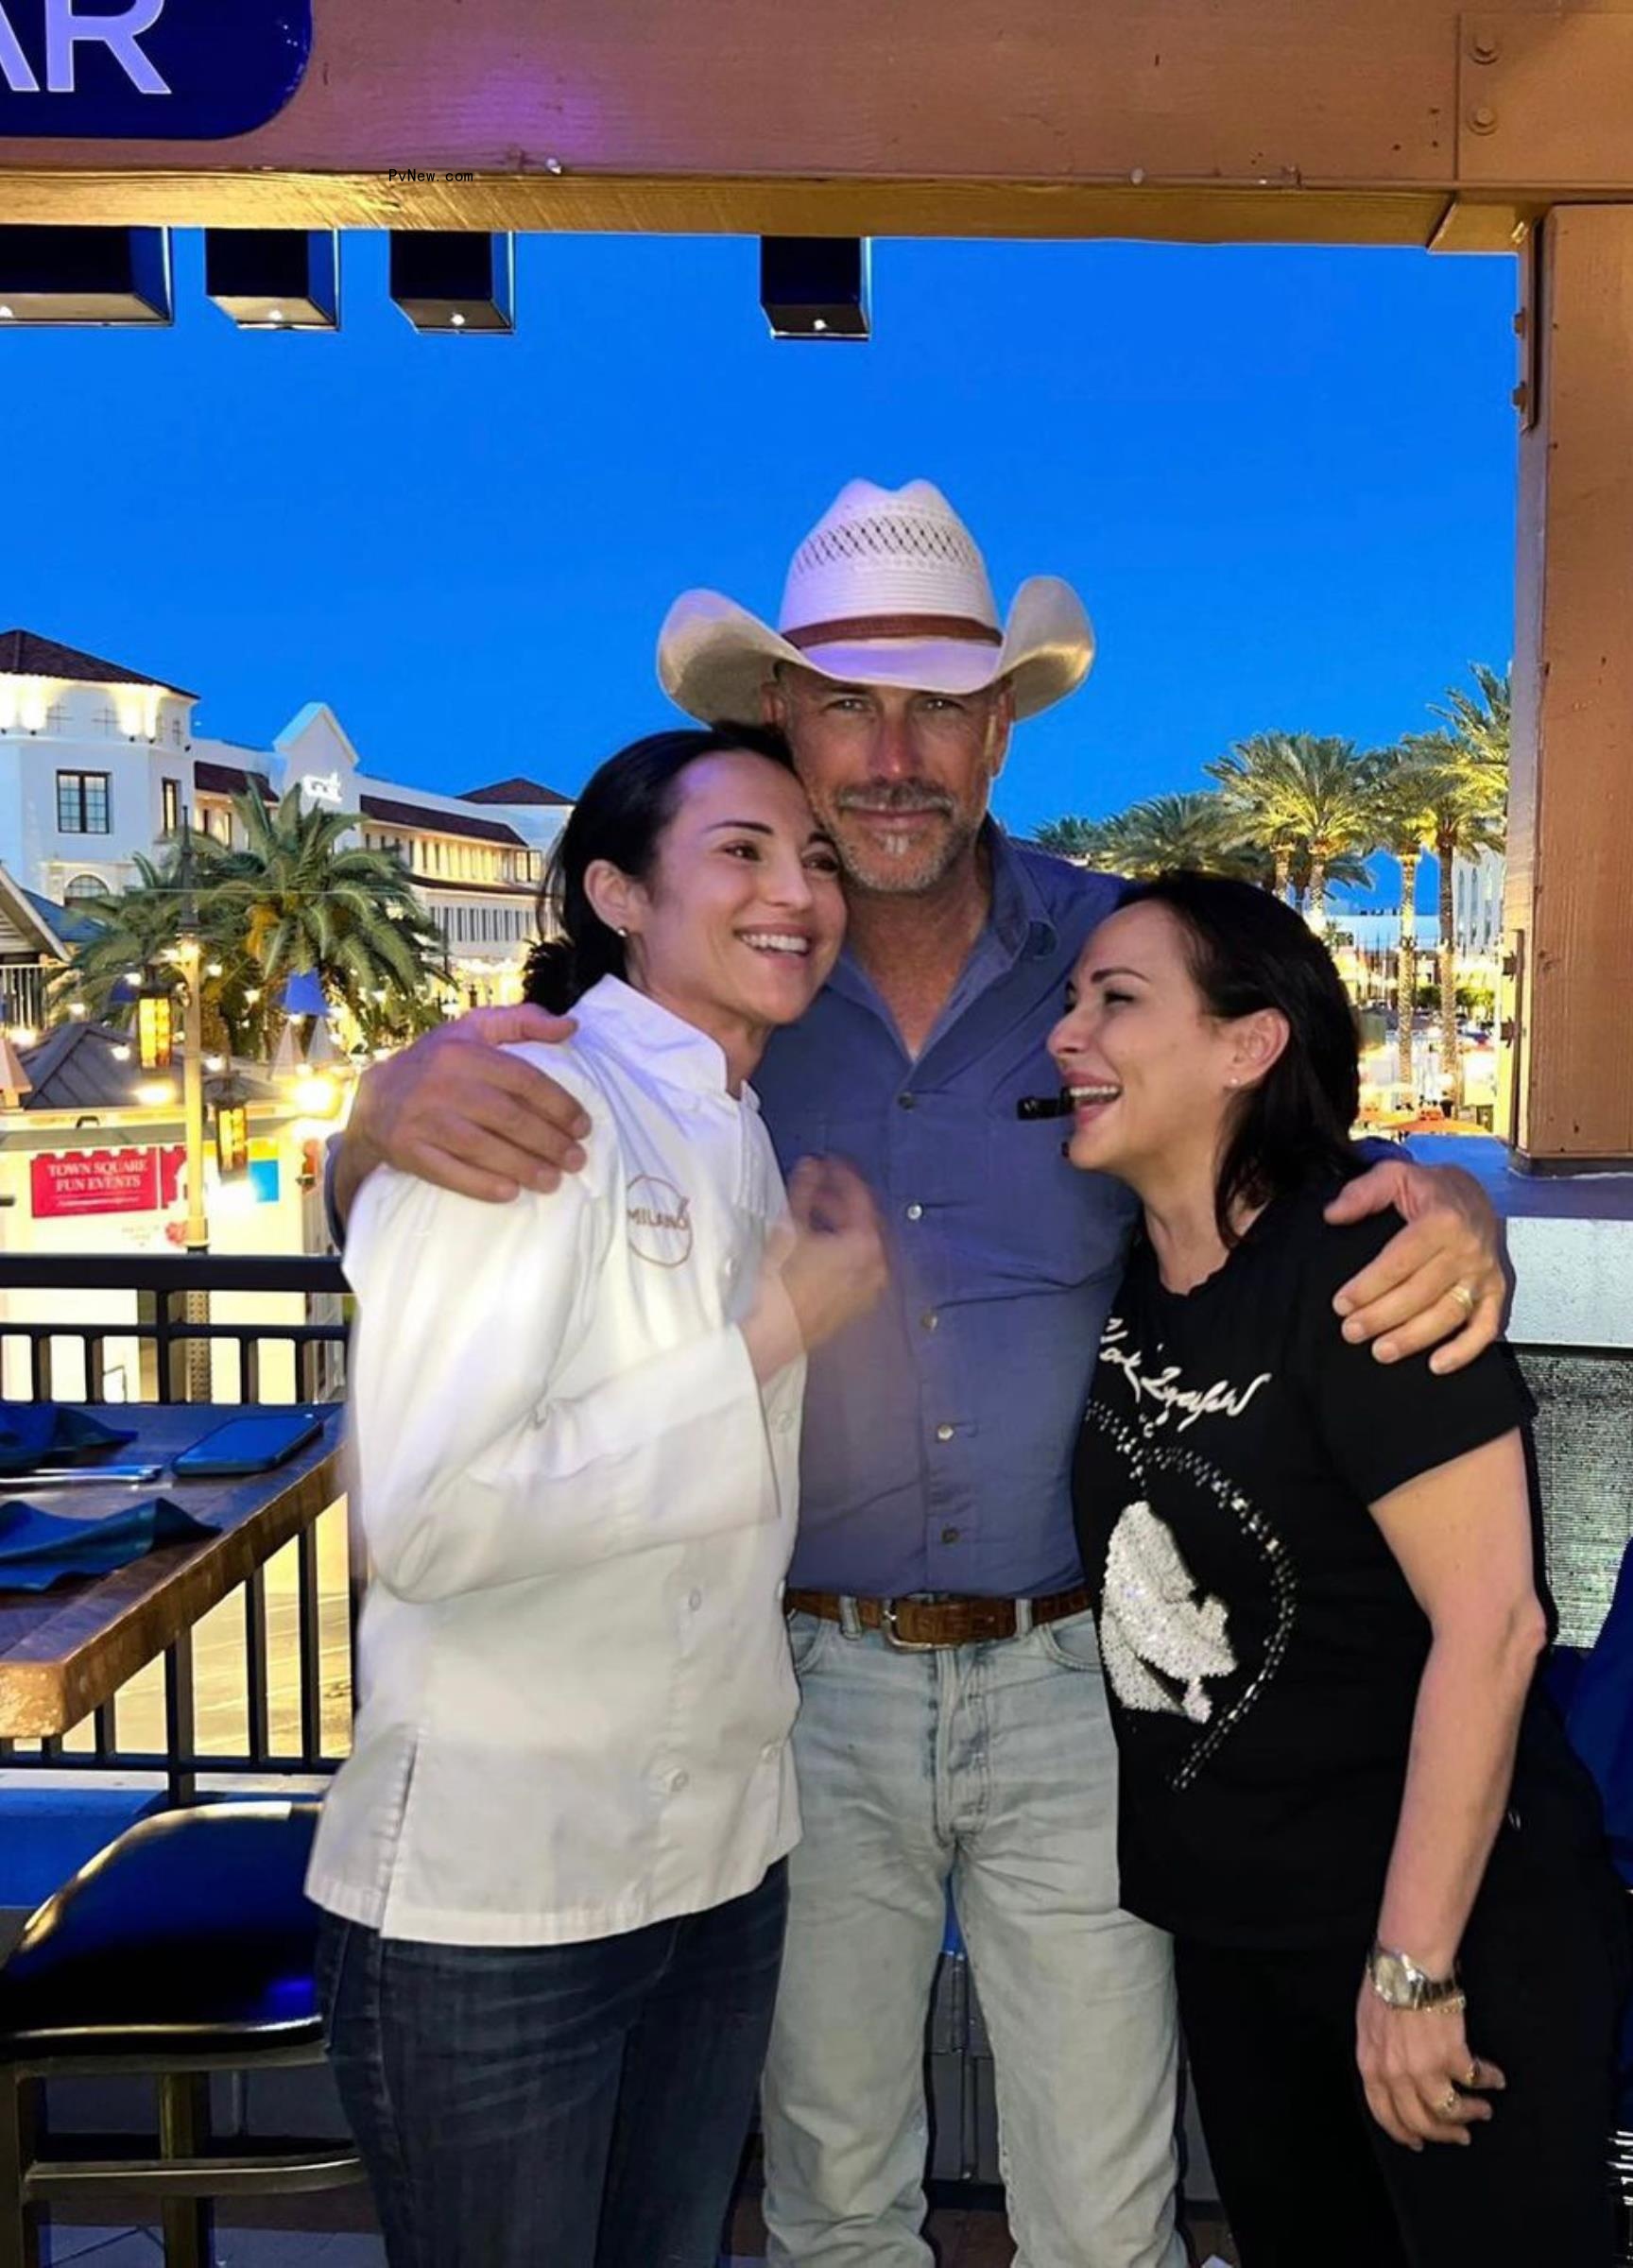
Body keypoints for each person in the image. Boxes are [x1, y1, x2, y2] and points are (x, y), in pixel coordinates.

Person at [328, 481, 1510, 2268]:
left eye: (942, 708)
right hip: (799, 1682)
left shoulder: (1110, 957)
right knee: (831, 2200)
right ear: (780, 720)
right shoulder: (703, 991)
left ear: (1002, 730)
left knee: (1107, 2205)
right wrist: (365, 1130)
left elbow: (1275, 1134)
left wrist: (1449, 1191)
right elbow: (476, 1168)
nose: (892, 758)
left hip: (1077, 1683)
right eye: (846, 706)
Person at [307, 727, 886, 2268]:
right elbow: (426, 1518)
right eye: (741, 852)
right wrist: (773, 1336)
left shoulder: (737, 1125)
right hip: (498, 1894)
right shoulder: (522, 1101)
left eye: (815, 858)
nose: (797, 891)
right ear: (620, 894)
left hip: (716, 1873)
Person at [1055, 874, 1631, 2268]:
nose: (1066, 1036)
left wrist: (1413, 1969)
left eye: (1116, 1001)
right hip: (1240, 1927)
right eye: (1070, 1001)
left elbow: (1495, 1626)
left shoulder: (1369, 1269)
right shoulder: (1133, 1273)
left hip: (1442, 1927)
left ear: (1250, 1044)